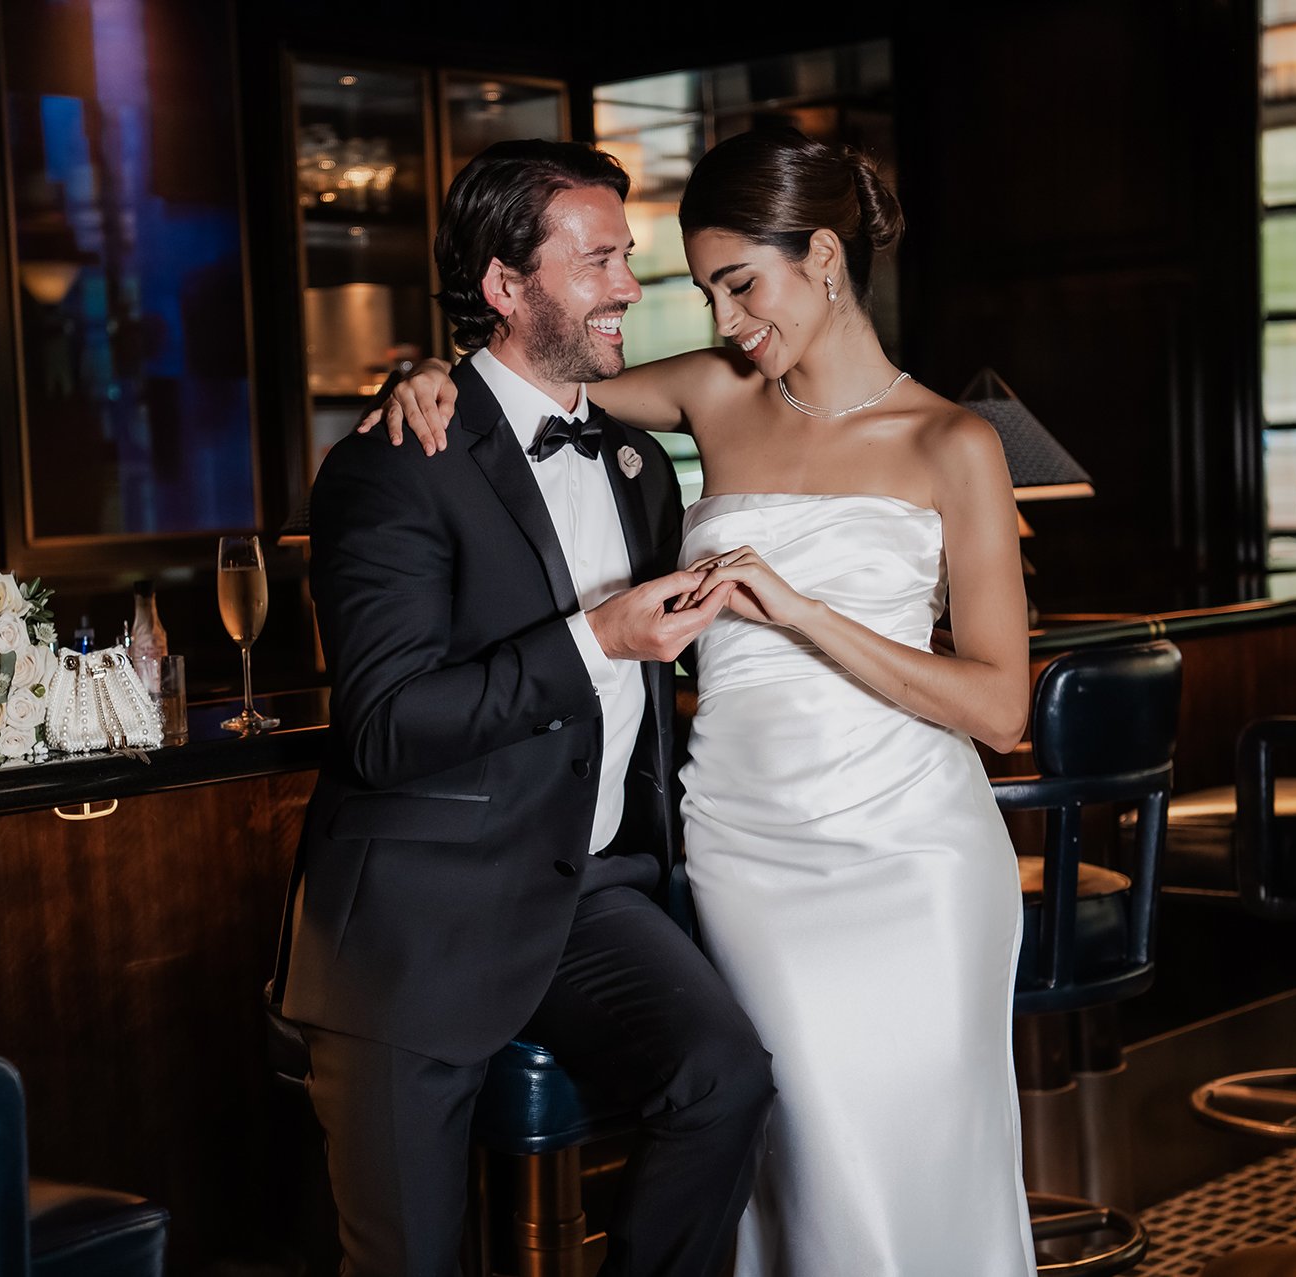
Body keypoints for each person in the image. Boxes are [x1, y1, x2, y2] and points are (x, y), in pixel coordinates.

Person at [364, 127, 1036, 1275]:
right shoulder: (716, 393)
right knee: (801, 1162)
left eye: (740, 284)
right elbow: (528, 383)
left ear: (823, 255)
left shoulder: (953, 442)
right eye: (705, 290)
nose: (724, 321)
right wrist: (427, 369)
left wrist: (804, 613)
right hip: (743, 854)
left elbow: (1000, 707)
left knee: (907, 1167)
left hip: (911, 857)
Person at [275, 138, 776, 1277]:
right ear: (507, 286)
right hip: (420, 917)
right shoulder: (397, 460)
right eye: (597, 258)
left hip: (595, 892)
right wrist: (598, 636)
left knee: (727, 1080)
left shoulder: (643, 464)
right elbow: (387, 725)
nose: (628, 287)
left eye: (626, 257)